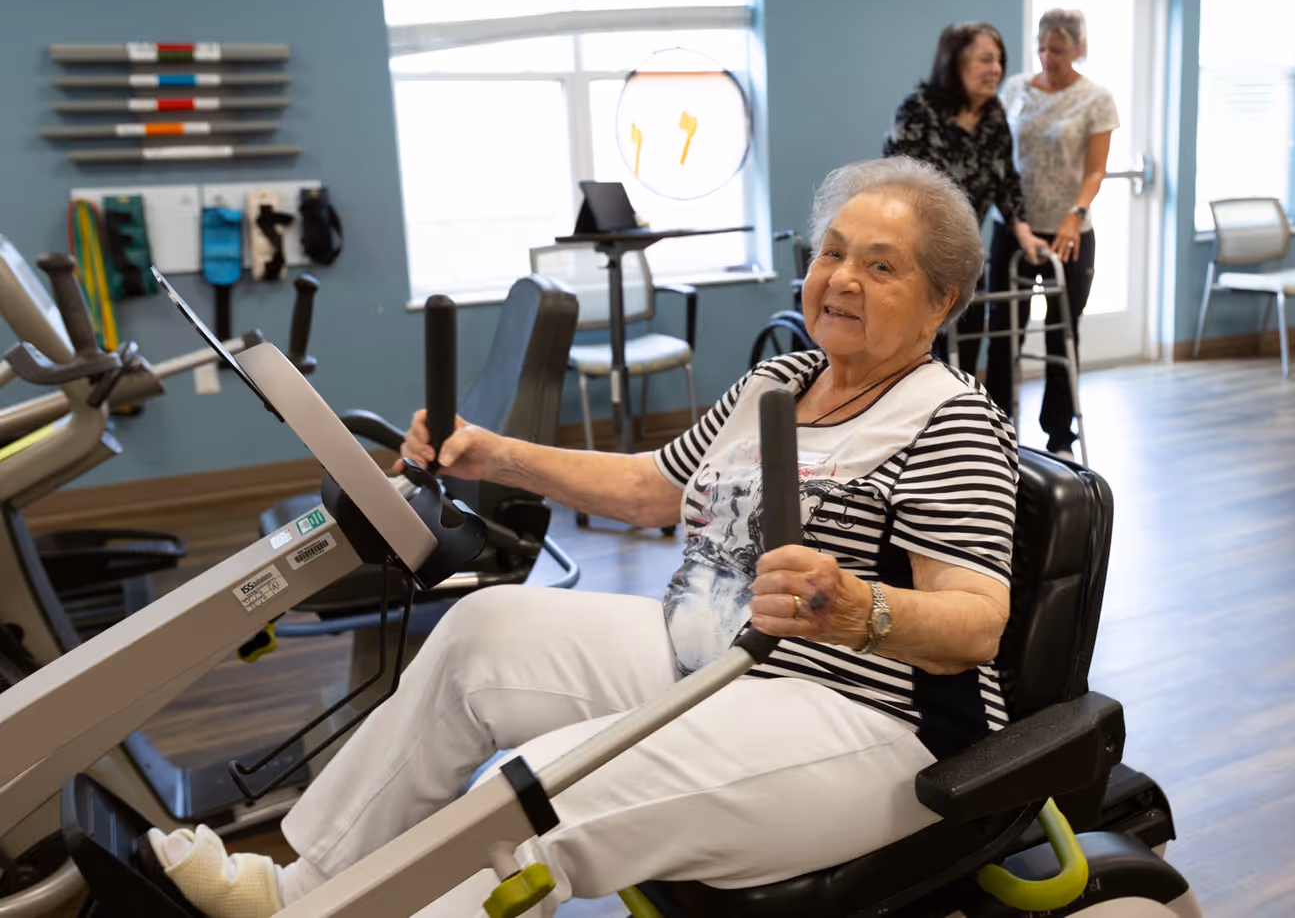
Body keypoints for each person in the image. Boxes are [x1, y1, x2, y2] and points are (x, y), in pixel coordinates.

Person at [150, 156, 1020, 918]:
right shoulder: (781, 379)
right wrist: (493, 453)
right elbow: (650, 486)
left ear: (941, 299)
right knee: (482, 631)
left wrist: (857, 605)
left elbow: (976, 622)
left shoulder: (948, 419)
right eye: (832, 252)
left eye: (881, 265)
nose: (841, 279)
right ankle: (308, 889)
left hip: (862, 715)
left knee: (527, 800)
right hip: (715, 657)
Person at [989, 9, 1118, 455]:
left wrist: (1074, 216)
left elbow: (1096, 170)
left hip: (1070, 231)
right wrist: (1016, 220)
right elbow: (1001, 159)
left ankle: (1060, 435)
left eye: (1058, 49)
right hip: (1015, 227)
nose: (1048, 57)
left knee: (1063, 329)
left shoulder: (1095, 98)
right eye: (1042, 48)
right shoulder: (1015, 89)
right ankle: (998, 431)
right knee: (1005, 330)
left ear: (1079, 48)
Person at [883, 22, 1025, 389]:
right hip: (916, 257)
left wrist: (1024, 232)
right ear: (955, 63)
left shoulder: (994, 115)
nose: (996, 69)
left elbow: (1006, 179)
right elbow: (897, 187)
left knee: (965, 352)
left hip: (965, 260)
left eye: (1000, 60)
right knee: (922, 359)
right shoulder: (918, 111)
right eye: (986, 59)